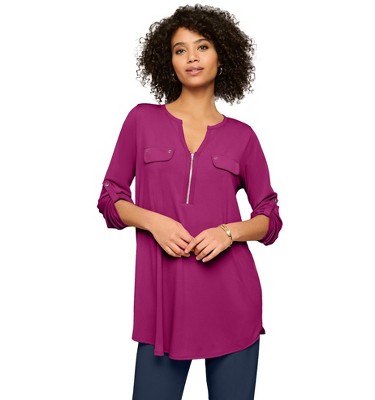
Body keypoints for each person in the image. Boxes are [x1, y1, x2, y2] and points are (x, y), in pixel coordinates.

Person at [97, 4, 283, 400]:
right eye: (180, 50)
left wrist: (228, 233)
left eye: (202, 47)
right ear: (169, 62)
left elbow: (269, 218)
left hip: (232, 303)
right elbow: (111, 197)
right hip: (163, 309)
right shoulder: (142, 120)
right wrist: (154, 222)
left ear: (222, 56)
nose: (192, 58)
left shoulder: (243, 137)